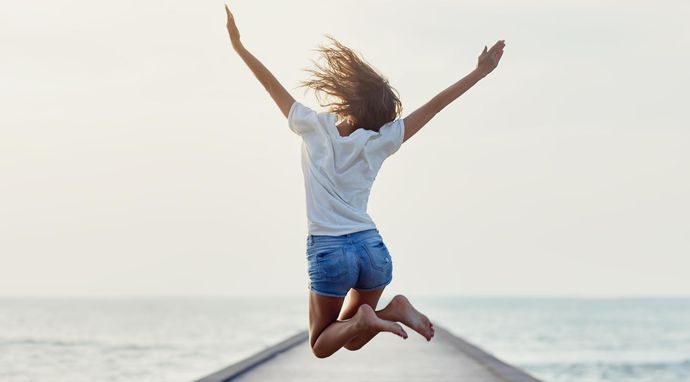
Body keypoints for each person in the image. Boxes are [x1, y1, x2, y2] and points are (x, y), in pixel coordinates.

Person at [223, 3, 505, 359]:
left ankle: (375, 317)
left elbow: (269, 85)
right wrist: (479, 73)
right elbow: (434, 107)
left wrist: (240, 48)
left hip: (330, 250)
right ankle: (391, 311)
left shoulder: (313, 126)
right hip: (372, 250)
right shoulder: (380, 142)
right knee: (352, 336)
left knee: (322, 344)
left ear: (349, 99)